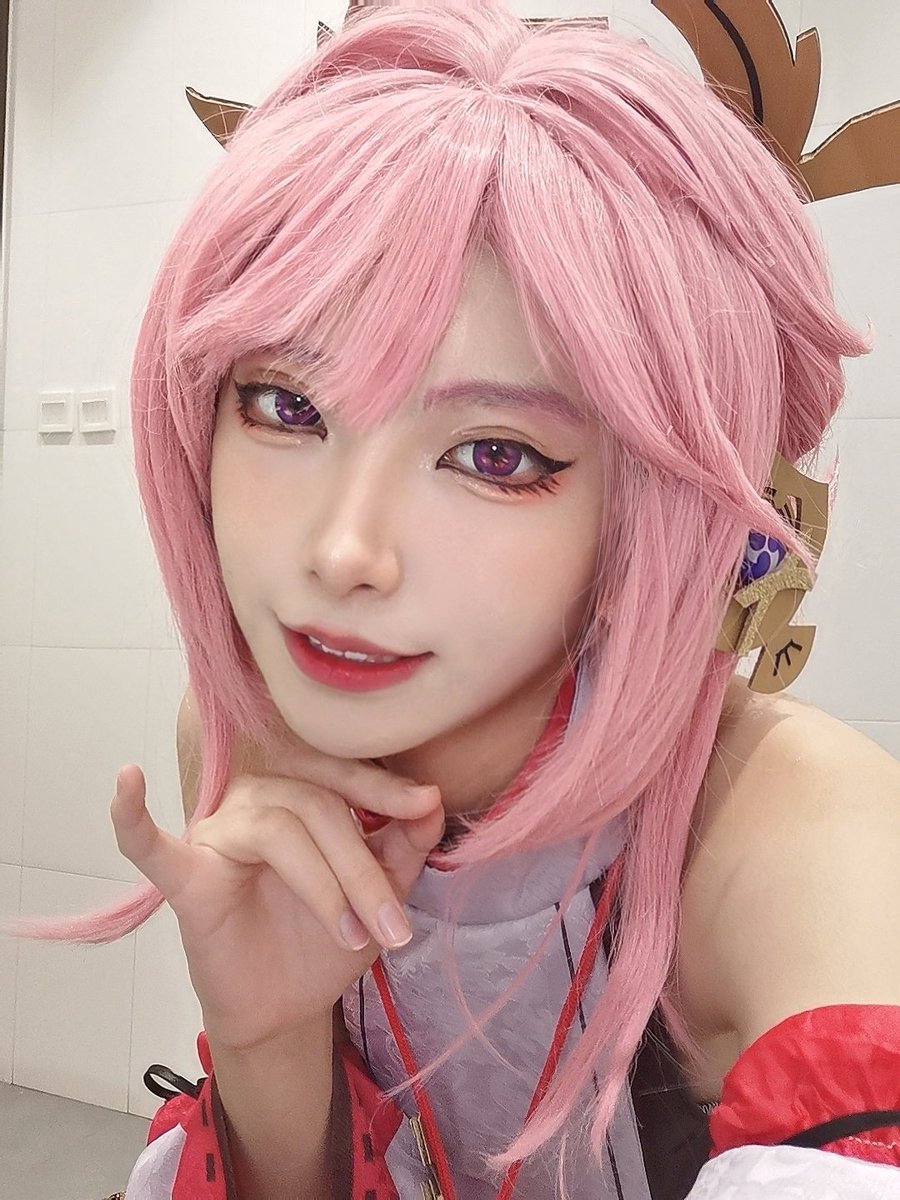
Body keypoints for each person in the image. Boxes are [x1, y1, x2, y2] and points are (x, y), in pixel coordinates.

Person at [9, 3, 900, 1197]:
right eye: (284, 406)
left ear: (650, 510)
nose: (344, 552)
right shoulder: (254, 739)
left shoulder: (789, 829)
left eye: (494, 455)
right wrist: (269, 1042)